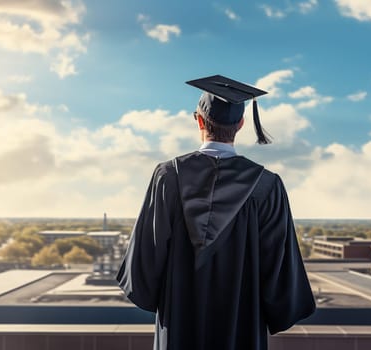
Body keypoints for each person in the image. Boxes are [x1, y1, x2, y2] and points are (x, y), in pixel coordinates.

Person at [116, 74, 315, 350]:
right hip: (241, 331)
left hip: (178, 330)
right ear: (241, 125)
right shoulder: (266, 186)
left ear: (198, 120)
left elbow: (143, 267)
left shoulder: (168, 177)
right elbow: (280, 277)